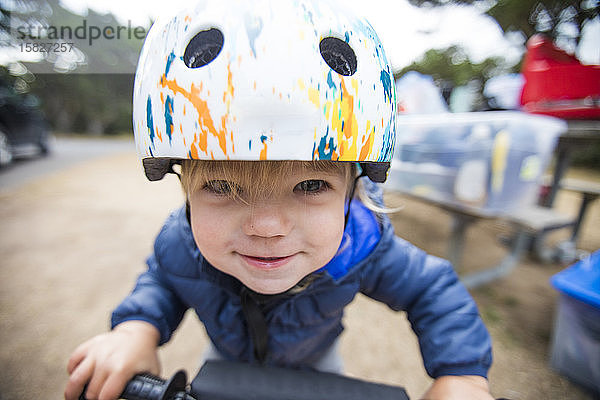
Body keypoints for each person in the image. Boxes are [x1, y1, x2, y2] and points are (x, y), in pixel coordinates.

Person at [64, 1, 494, 399]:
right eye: (222, 187)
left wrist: (461, 375)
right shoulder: (182, 243)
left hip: (315, 366)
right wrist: (135, 332)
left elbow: (432, 290)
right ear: (185, 190)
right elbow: (162, 281)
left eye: (310, 186)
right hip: (226, 364)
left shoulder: (363, 246)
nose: (266, 227)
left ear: (351, 191)